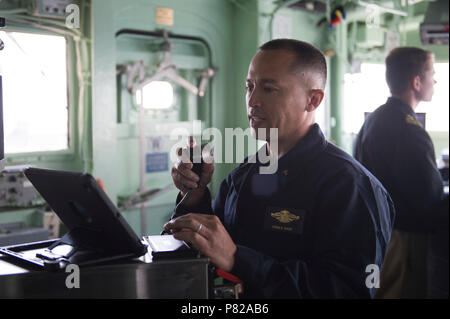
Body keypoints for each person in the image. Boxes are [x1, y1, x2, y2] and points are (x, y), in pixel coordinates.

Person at [164, 39, 395, 298]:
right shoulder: (243, 176)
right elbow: (211, 250)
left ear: (313, 99)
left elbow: (348, 291)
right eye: (249, 87)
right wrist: (194, 194)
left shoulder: (351, 187)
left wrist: (239, 259)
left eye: (269, 89)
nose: (252, 101)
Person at [354, 47, 448, 298]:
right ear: (416, 82)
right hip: (404, 238)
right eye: (432, 74)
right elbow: (429, 196)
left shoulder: (374, 119)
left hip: (379, 234)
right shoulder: (408, 129)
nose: (435, 80)